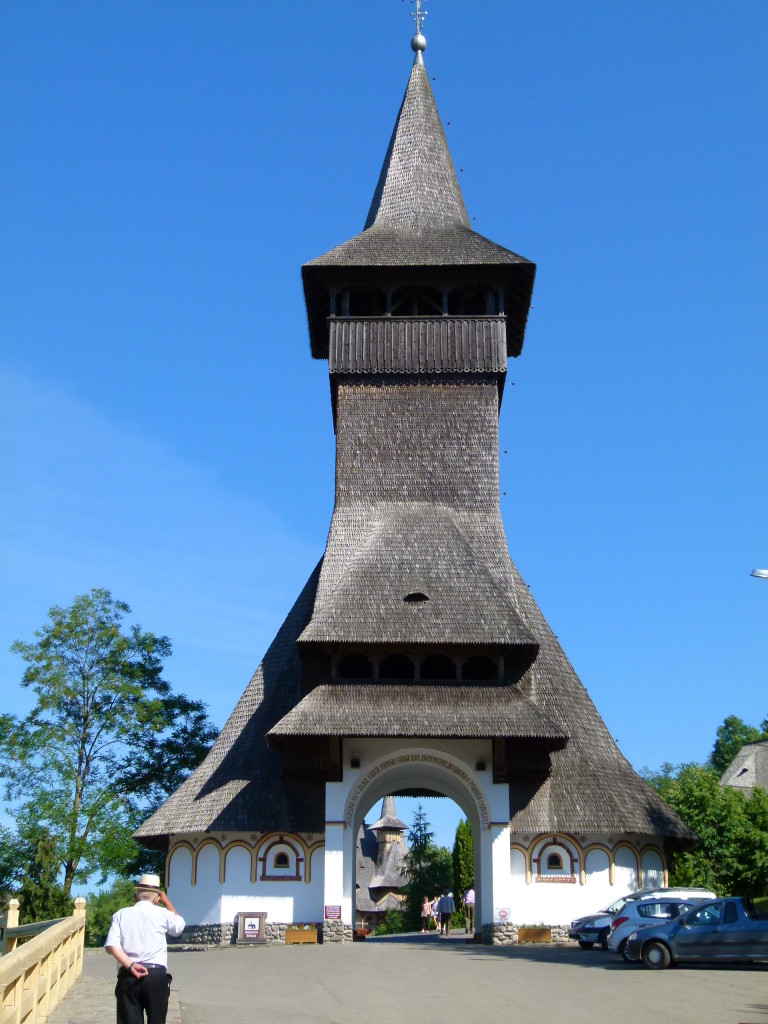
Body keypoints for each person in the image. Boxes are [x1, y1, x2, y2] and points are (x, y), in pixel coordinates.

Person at [105, 873, 185, 1024]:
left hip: (128, 974)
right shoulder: (163, 913)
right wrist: (167, 902)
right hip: (156, 975)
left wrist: (131, 965)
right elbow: (178, 927)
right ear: (157, 899)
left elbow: (111, 946)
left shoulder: (121, 914)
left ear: (135, 898)